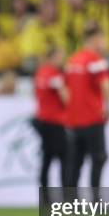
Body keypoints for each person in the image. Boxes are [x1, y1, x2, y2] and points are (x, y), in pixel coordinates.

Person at [62, 23, 109, 197]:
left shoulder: (72, 60)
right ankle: (96, 202)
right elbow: (106, 85)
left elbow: (66, 91)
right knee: (98, 159)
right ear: (95, 39)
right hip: (92, 119)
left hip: (73, 121)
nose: (104, 43)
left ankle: (70, 202)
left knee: (74, 163)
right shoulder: (96, 60)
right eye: (102, 38)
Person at [32, 46, 68, 203]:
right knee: (65, 160)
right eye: (60, 56)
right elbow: (66, 97)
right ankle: (66, 197)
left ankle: (45, 197)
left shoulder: (40, 72)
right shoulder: (54, 74)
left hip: (43, 121)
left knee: (46, 159)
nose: (62, 60)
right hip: (55, 123)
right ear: (53, 57)